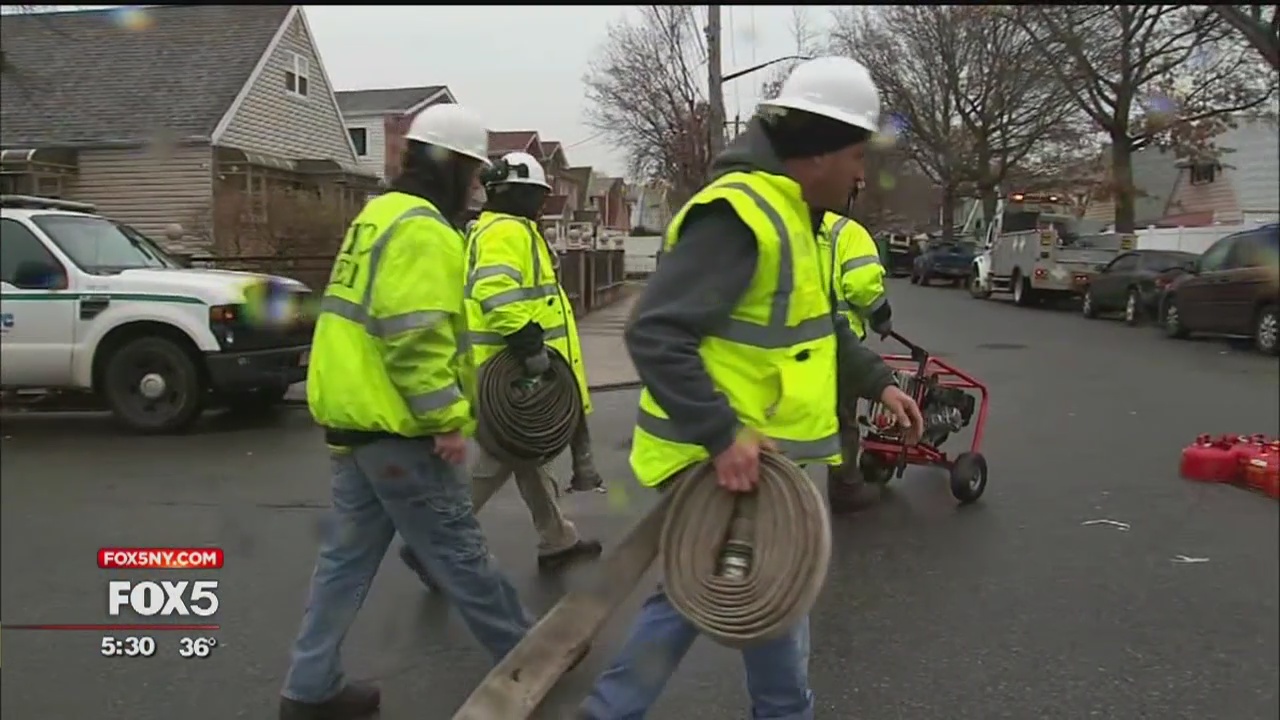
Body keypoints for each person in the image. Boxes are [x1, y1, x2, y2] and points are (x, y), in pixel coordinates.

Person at [577, 56, 926, 719]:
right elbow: (655, 333)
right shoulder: (738, 215)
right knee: (750, 594)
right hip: (724, 458)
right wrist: (723, 436)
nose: (861, 175)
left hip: (757, 458)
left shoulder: (794, 216)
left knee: (736, 594)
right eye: (857, 155)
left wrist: (879, 383)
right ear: (818, 151)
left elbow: (818, 326)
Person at [279, 104, 532, 720]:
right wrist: (446, 419)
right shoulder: (424, 231)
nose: (477, 186)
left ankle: (309, 687)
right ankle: (533, 662)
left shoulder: (377, 215)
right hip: (398, 427)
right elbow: (414, 337)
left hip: (355, 419)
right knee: (462, 556)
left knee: (344, 563)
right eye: (474, 173)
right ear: (455, 168)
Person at [398, 150, 603, 589]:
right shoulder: (507, 231)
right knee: (501, 459)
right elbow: (496, 291)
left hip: (507, 366)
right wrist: (530, 345)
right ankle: (432, 543)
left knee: (524, 455)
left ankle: (557, 538)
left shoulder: (497, 229)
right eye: (538, 194)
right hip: (512, 369)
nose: (543, 203)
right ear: (520, 194)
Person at [818, 190, 894, 513]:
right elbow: (863, 286)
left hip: (797, 339)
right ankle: (846, 487)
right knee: (843, 419)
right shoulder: (850, 232)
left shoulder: (799, 225)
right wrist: (882, 317)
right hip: (839, 340)